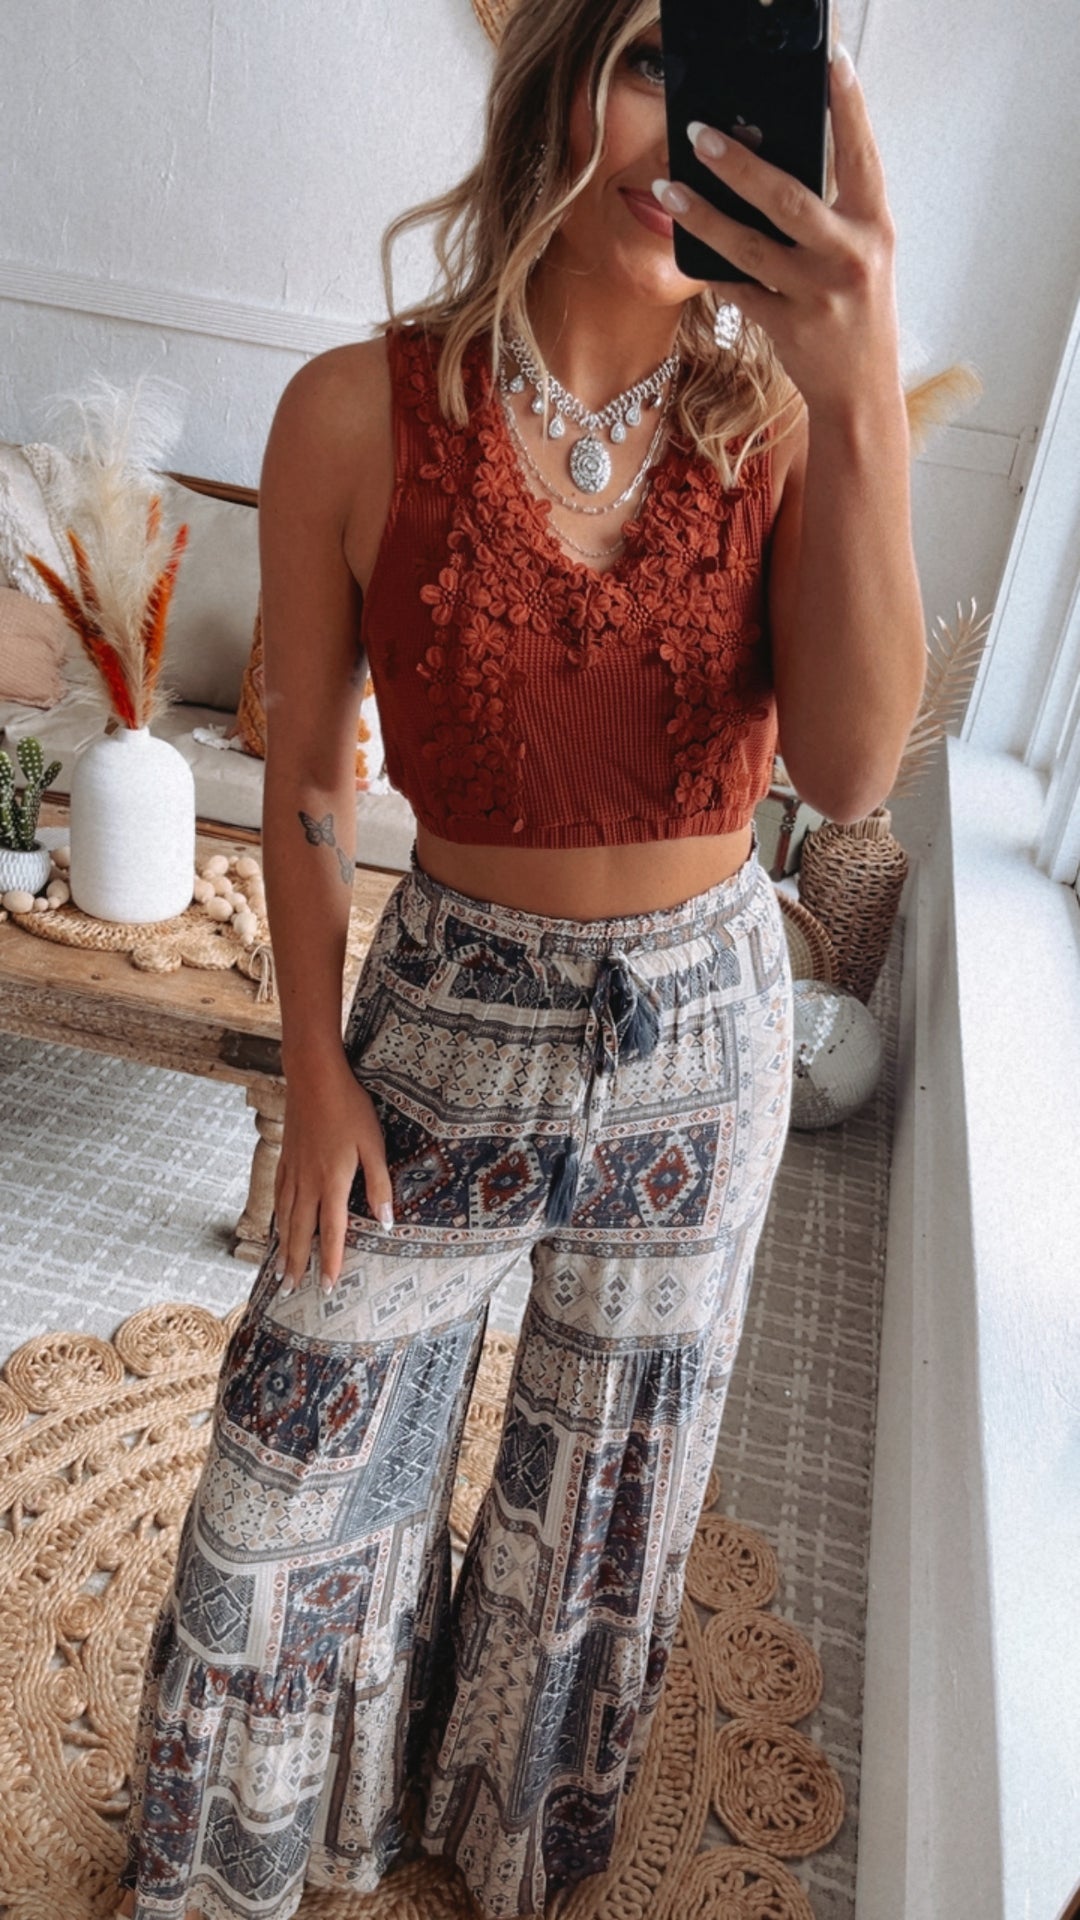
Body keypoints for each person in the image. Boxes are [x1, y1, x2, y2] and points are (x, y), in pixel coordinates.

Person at [116, 2, 924, 1916]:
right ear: (555, 83)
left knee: (602, 1520)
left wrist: (864, 380)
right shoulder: (353, 411)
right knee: (275, 1495)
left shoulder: (778, 431)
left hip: (705, 1047)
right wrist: (314, 1064)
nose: (690, 138)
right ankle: (249, 1857)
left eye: (732, 93)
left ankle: (500, 1854)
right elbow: (309, 776)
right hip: (442, 1029)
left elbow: (852, 773)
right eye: (651, 60)